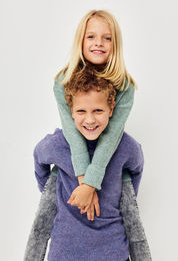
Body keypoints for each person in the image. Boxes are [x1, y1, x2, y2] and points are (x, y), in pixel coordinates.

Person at [27, 67, 151, 261]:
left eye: (98, 110)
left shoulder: (125, 146)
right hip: (65, 254)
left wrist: (120, 192)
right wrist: (53, 190)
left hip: (113, 253)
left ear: (111, 110)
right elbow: (38, 157)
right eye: (81, 111)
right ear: (71, 112)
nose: (90, 119)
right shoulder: (58, 143)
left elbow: (137, 167)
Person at [53, 9, 137, 217]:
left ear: (115, 44)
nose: (98, 43)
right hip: (77, 154)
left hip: (106, 155)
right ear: (80, 41)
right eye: (91, 36)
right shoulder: (62, 81)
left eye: (106, 38)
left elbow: (110, 137)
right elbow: (72, 134)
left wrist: (91, 185)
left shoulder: (125, 87)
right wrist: (85, 184)